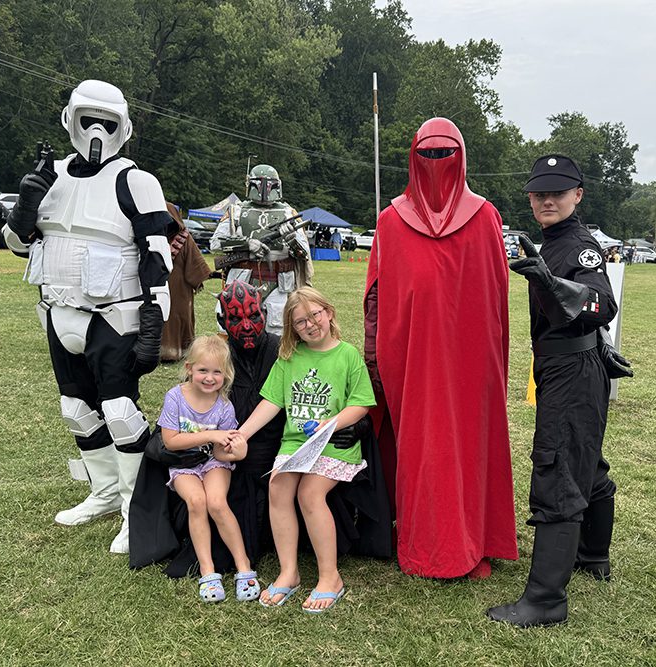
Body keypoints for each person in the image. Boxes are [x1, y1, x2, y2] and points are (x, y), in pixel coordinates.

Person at [1, 79, 173, 554]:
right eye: (88, 121)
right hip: (59, 310)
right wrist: (24, 208)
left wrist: (154, 322)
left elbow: (157, 256)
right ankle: (102, 491)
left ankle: (133, 508)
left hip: (114, 314)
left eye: (108, 123)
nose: (97, 131)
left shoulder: (136, 181)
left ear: (124, 128)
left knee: (120, 411)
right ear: (69, 121)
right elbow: (17, 245)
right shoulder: (47, 177)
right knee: (76, 410)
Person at [127, 282, 391, 577]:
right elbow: (189, 408)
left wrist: (355, 424)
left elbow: (350, 399)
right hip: (233, 461)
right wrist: (193, 444)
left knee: (309, 492)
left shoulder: (289, 351)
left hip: (299, 449)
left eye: (253, 316)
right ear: (222, 323)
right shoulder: (217, 361)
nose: (247, 326)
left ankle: (324, 571)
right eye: (236, 319)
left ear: (265, 315)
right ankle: (269, 567)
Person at [363, 116, 518, 579]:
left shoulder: (485, 216)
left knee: (469, 441)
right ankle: (420, 538)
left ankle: (473, 542)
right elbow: (377, 295)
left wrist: (490, 361)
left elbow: (495, 296)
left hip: (470, 358)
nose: (436, 163)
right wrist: (375, 355)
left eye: (444, 153)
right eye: (427, 154)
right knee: (420, 445)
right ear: (414, 158)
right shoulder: (392, 221)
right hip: (410, 357)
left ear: (462, 157)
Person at [487, 154, 631, 627]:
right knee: (585, 463)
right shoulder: (552, 241)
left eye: (558, 192)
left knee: (557, 470)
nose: (547, 200)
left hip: (571, 371)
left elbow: (602, 301)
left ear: (578, 196)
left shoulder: (578, 247)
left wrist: (555, 284)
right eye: (539, 193)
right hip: (570, 364)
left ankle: (546, 600)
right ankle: (592, 555)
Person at [235, 287, 376, 613]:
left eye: (315, 315)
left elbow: (362, 405)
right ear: (292, 328)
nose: (311, 324)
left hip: (332, 445)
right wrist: (242, 434)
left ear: (329, 313)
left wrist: (331, 423)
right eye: (301, 321)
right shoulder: (289, 359)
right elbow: (271, 402)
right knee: (278, 487)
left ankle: (330, 578)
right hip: (296, 445)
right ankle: (289, 572)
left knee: (310, 494)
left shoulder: (347, 355)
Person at [157, 335, 258, 603]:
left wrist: (236, 448)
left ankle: (243, 565)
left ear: (226, 375)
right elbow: (171, 441)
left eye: (217, 372)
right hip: (183, 463)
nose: (209, 378)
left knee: (216, 502)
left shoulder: (224, 406)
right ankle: (207, 570)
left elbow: (222, 450)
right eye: (203, 370)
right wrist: (211, 436)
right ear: (189, 368)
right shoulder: (175, 397)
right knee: (197, 501)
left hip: (214, 462)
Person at [210, 164, 313, 335]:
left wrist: (291, 240)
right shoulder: (236, 210)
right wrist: (247, 244)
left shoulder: (288, 212)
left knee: (277, 330)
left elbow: (304, 255)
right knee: (232, 326)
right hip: (242, 278)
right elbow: (215, 244)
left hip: (281, 282)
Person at [160, 203, 212, 362]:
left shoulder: (151, 237)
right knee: (178, 317)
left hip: (160, 285)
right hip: (180, 288)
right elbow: (196, 265)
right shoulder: (184, 237)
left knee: (164, 317)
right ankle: (179, 351)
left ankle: (161, 351)